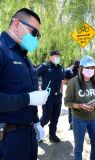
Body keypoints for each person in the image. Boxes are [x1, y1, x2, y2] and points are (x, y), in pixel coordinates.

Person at [0, 8, 49, 160]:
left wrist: (35, 122)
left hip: (28, 135)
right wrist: (28, 98)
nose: (36, 38)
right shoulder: (2, 50)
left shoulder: (25, 58)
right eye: (34, 32)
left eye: (38, 35)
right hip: (8, 138)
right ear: (16, 24)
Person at [64, 55, 95, 160]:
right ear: (81, 68)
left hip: (93, 118)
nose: (90, 70)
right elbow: (66, 102)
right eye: (87, 67)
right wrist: (79, 105)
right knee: (79, 147)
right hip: (79, 119)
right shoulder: (73, 82)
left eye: (92, 68)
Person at [37, 50, 64, 143]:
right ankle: (37, 133)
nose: (57, 58)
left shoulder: (61, 68)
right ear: (50, 57)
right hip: (47, 96)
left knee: (55, 117)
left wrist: (61, 93)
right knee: (46, 117)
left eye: (58, 56)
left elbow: (61, 81)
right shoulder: (45, 66)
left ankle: (52, 135)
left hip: (58, 96)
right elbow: (34, 75)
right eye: (56, 56)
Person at [64, 60, 80, 129]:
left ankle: (78, 121)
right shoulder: (68, 70)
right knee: (71, 107)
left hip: (79, 91)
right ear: (74, 64)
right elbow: (63, 80)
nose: (78, 67)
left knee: (78, 106)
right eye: (77, 65)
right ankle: (71, 123)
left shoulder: (80, 70)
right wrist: (71, 81)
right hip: (70, 90)